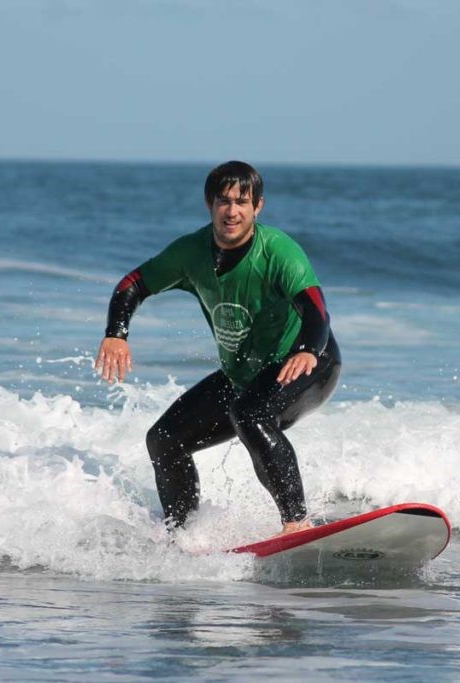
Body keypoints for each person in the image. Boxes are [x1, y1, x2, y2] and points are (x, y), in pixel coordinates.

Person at [95, 161, 341, 536]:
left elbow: (316, 308)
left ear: (257, 207)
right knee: (164, 440)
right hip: (245, 373)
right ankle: (182, 536)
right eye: (224, 201)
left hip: (310, 361)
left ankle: (296, 523)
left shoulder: (278, 251)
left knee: (251, 414)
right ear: (209, 204)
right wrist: (116, 333)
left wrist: (306, 349)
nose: (232, 211)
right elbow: (133, 283)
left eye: (242, 201)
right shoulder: (190, 253)